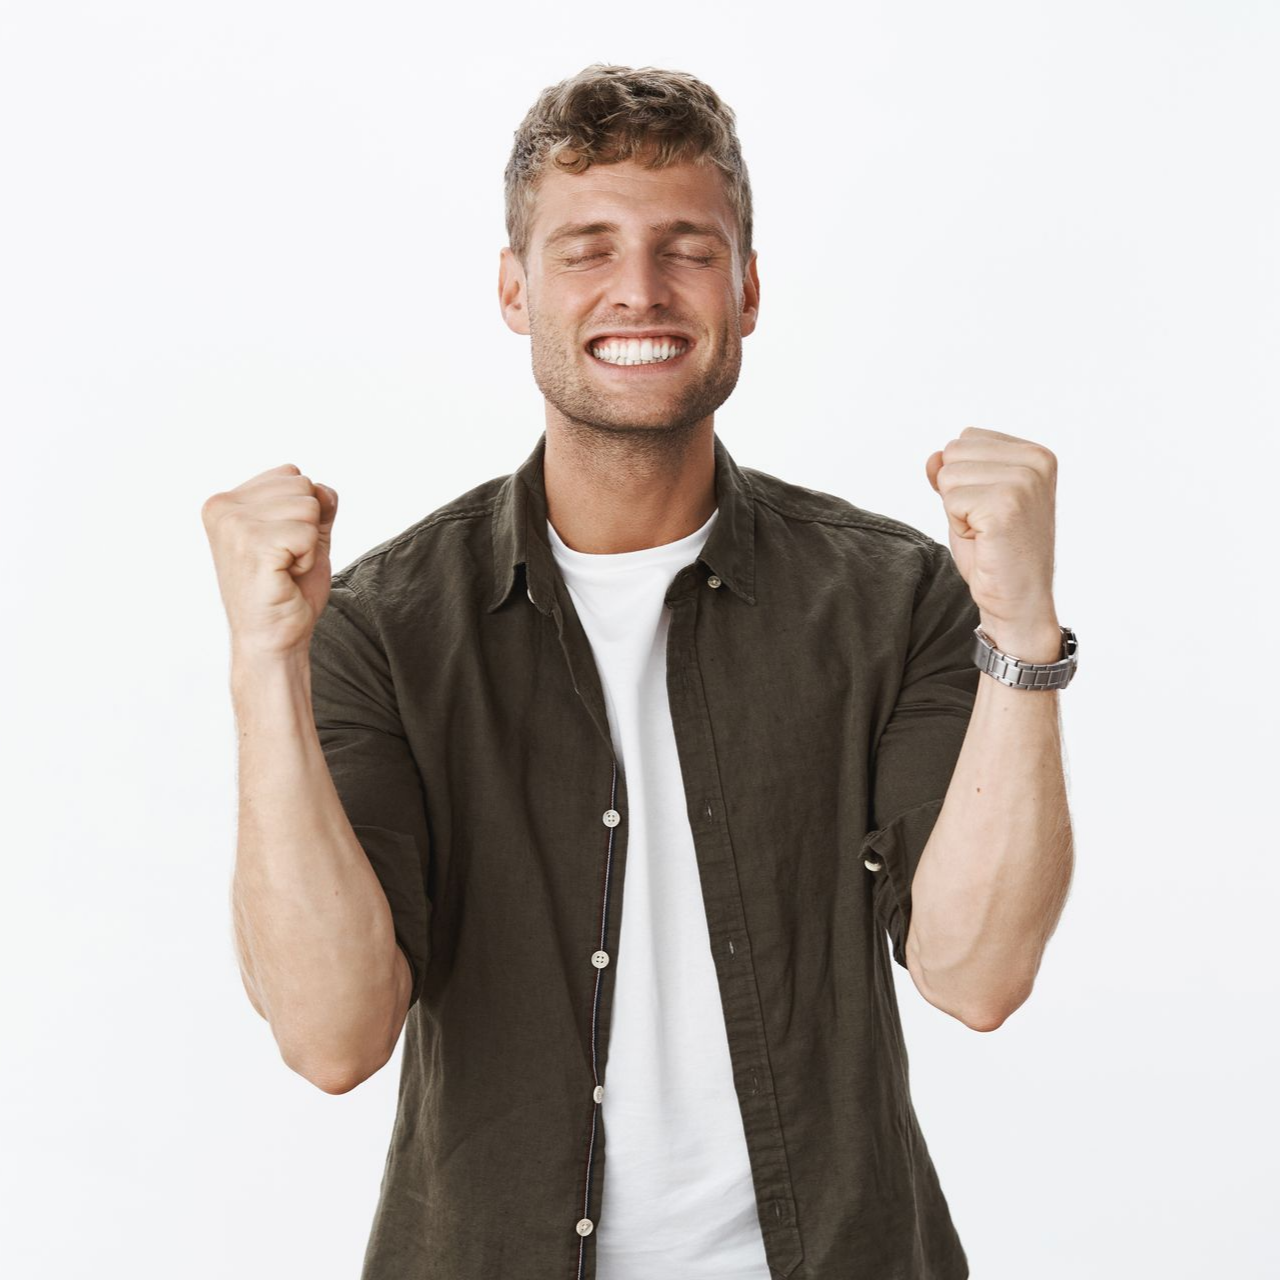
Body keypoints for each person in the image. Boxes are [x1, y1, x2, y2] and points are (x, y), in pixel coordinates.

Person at [202, 62, 1076, 1280]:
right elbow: (330, 1036)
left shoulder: (899, 597)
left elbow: (975, 976)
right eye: (585, 247)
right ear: (514, 288)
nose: (639, 290)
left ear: (749, 288)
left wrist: (1022, 633)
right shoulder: (384, 627)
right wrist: (264, 665)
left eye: (687, 247)